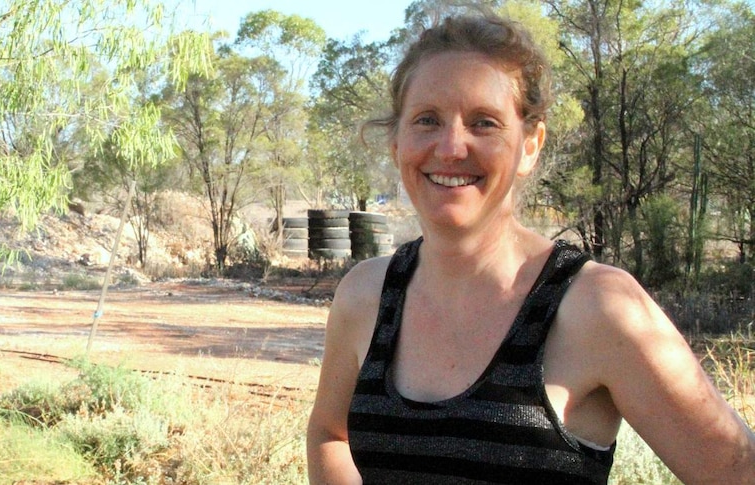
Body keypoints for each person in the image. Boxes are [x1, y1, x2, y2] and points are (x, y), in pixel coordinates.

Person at [306, 10, 755, 485]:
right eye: (427, 120)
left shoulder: (598, 307)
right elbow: (330, 434)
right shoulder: (366, 296)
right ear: (397, 142)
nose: (452, 147)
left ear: (530, 145)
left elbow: (737, 471)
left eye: (484, 122)